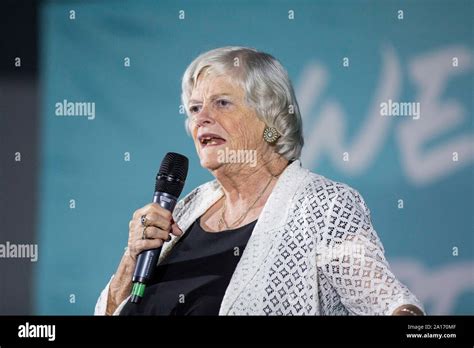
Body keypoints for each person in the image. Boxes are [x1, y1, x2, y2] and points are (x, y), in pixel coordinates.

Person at [95, 46, 424, 316]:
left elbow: (389, 303)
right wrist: (130, 259)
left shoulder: (323, 207)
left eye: (222, 102)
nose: (201, 118)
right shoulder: (189, 207)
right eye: (194, 108)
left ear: (270, 120)